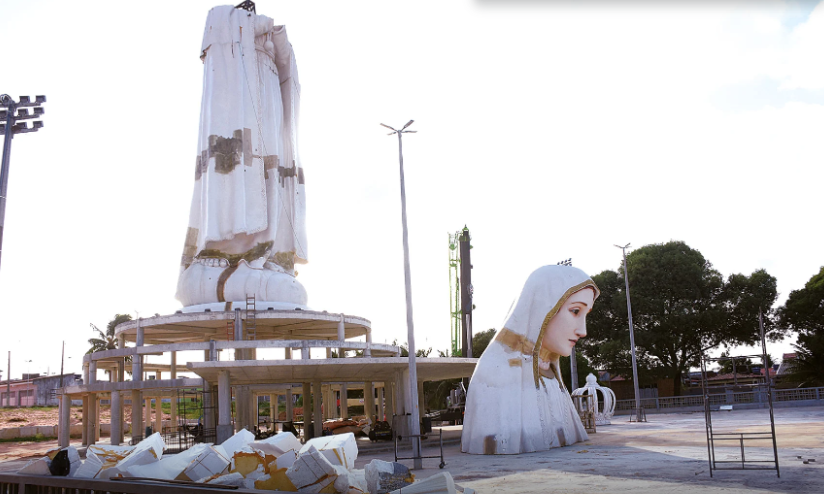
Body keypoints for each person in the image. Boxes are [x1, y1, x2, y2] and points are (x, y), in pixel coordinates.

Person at [461, 265, 599, 455]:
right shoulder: (496, 371)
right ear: (543, 308)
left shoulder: (551, 372)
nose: (583, 331)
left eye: (586, 314)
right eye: (575, 311)